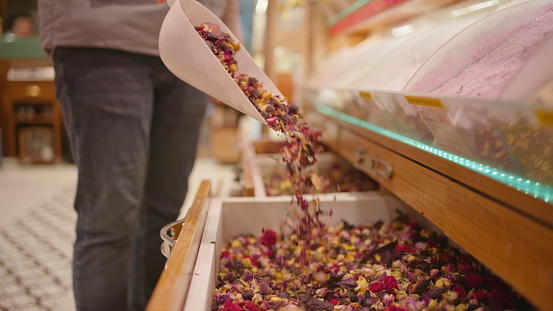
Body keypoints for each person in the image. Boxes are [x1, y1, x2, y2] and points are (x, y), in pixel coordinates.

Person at [38, 0, 242, 310]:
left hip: (192, 39)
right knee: (111, 218)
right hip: (104, 33)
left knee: (163, 208)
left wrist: (228, 32)